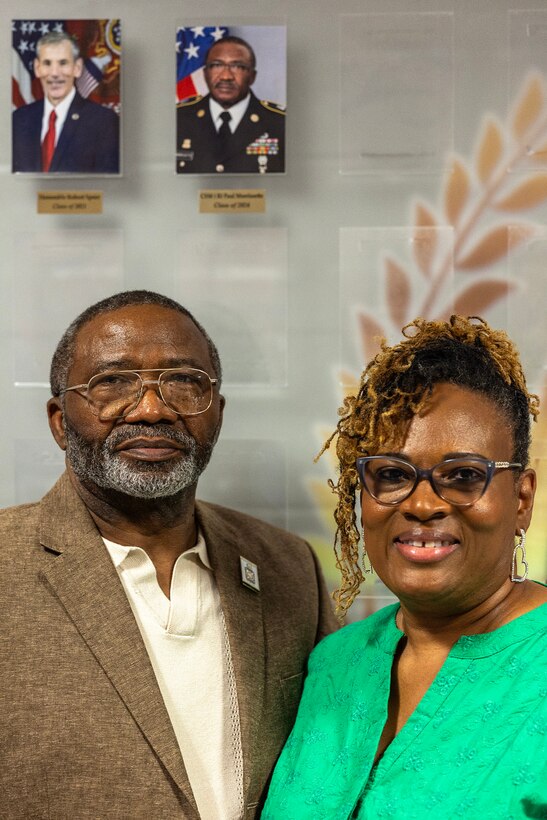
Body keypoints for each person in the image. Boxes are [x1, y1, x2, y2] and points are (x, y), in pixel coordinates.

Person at [0, 290, 337, 819]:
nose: (153, 409)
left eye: (183, 382)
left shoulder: (287, 566)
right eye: (112, 383)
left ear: (217, 414)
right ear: (60, 420)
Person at [263, 315, 547, 819]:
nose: (420, 504)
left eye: (463, 475)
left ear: (521, 498)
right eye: (392, 474)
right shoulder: (336, 662)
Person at [12, 31, 119, 174]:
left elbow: (109, 188)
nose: (55, 73)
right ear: (37, 68)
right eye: (47, 63)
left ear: (77, 68)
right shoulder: (19, 120)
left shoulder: (103, 122)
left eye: (63, 63)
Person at [176, 36, 285, 174]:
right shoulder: (179, 119)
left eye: (237, 66)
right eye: (216, 65)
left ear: (252, 76)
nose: (226, 76)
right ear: (205, 74)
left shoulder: (280, 123)